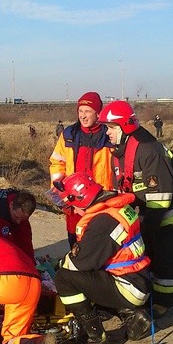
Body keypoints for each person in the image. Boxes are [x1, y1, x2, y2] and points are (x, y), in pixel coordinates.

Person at [98, 101, 173, 317]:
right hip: (148, 208)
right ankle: (147, 294)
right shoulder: (121, 149)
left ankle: (163, 303)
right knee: (147, 252)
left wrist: (147, 230)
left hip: (171, 212)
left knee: (165, 257)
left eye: (111, 128)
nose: (107, 132)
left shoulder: (149, 150)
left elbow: (160, 198)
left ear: (124, 128)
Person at [52, 173, 153, 344]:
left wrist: (57, 265)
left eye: (73, 206)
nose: (73, 211)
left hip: (128, 286)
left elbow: (79, 264)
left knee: (64, 278)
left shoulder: (102, 223)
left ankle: (96, 339)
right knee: (87, 278)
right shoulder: (116, 209)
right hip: (138, 279)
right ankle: (132, 316)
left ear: (82, 200)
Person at [49, 91, 114, 246]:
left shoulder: (110, 136)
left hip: (101, 201)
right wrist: (60, 190)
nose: (83, 116)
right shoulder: (69, 134)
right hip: (73, 201)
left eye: (88, 111)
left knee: (99, 242)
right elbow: (57, 162)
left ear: (98, 114)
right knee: (75, 240)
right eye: (80, 111)